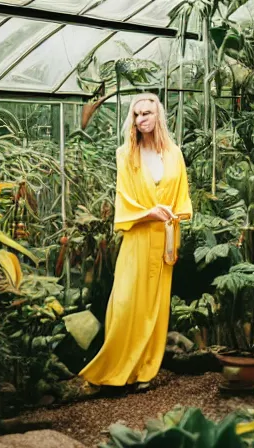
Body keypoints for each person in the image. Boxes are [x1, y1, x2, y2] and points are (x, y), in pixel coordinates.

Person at [79, 93, 193, 393]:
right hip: (138, 236)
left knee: (155, 308)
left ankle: (145, 371)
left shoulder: (174, 153)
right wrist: (148, 212)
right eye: (137, 114)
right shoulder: (125, 154)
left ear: (158, 117)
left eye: (147, 113)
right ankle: (112, 370)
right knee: (126, 302)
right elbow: (124, 199)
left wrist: (171, 222)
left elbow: (182, 196)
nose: (142, 119)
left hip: (164, 239)